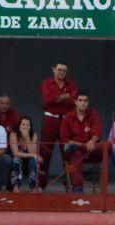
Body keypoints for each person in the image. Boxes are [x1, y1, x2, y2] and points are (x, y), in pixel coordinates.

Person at [38, 60, 77, 189]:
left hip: (66, 121)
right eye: (59, 70)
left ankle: (70, 184)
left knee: (67, 152)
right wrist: (64, 96)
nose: (62, 72)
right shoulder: (46, 83)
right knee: (45, 152)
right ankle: (41, 185)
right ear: (53, 69)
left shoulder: (71, 84)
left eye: (64, 71)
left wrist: (58, 98)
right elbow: (47, 99)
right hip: (50, 120)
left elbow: (73, 101)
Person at [60, 91, 105, 193]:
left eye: (85, 100)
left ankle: (105, 191)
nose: (83, 103)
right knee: (74, 151)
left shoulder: (93, 114)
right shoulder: (67, 118)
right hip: (76, 149)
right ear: (75, 102)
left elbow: (97, 133)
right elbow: (64, 139)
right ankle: (78, 189)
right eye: (80, 100)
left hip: (91, 149)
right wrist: (80, 144)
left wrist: (92, 141)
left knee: (108, 146)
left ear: (88, 102)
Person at [9, 115, 40, 192]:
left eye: (27, 125)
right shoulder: (14, 134)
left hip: (28, 160)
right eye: (23, 124)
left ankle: (33, 187)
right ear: (19, 125)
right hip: (17, 159)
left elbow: (32, 152)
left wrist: (27, 138)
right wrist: (33, 155)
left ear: (30, 126)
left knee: (34, 161)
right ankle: (15, 186)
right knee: (16, 160)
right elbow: (16, 153)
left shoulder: (34, 135)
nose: (25, 127)